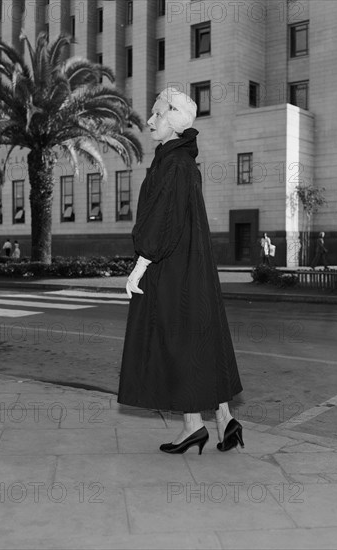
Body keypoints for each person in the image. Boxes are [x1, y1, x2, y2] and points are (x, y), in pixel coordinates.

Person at [118, 87, 243, 455]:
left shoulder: (173, 164)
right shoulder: (181, 161)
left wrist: (139, 266)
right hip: (190, 267)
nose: (151, 120)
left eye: (158, 114)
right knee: (196, 341)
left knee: (176, 344)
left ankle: (193, 426)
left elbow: (163, 221)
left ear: (173, 122)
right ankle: (223, 419)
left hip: (172, 269)